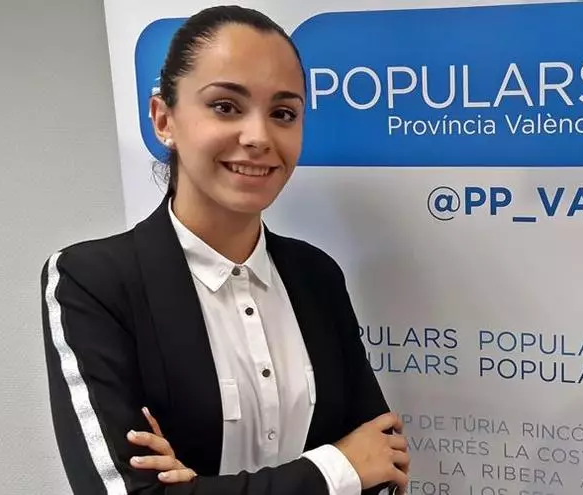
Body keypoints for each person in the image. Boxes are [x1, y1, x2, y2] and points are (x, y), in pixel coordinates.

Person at [39, 5, 410, 495]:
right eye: (226, 106)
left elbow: (383, 461)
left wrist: (202, 486)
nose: (258, 137)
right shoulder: (93, 282)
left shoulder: (316, 275)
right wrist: (334, 469)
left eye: (283, 114)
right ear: (164, 119)